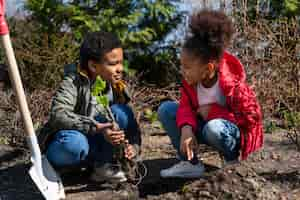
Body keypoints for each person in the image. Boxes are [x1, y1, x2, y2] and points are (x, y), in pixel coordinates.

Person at [158, 10, 263, 178]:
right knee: (166, 110)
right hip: (204, 128)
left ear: (208, 68)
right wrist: (186, 129)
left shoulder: (233, 85)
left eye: (187, 67)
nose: (182, 71)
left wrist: (213, 112)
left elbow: (250, 120)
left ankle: (231, 163)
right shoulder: (190, 83)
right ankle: (190, 163)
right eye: (182, 65)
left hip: (228, 134)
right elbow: (185, 106)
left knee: (214, 127)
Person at [38, 31, 141, 183]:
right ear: (93, 65)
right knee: (75, 143)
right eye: (113, 64)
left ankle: (102, 167)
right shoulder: (73, 82)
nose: (120, 68)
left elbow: (131, 127)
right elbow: (58, 114)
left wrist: (133, 147)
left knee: (121, 112)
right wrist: (95, 126)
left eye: (121, 62)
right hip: (70, 145)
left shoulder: (116, 86)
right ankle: (62, 169)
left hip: (94, 148)